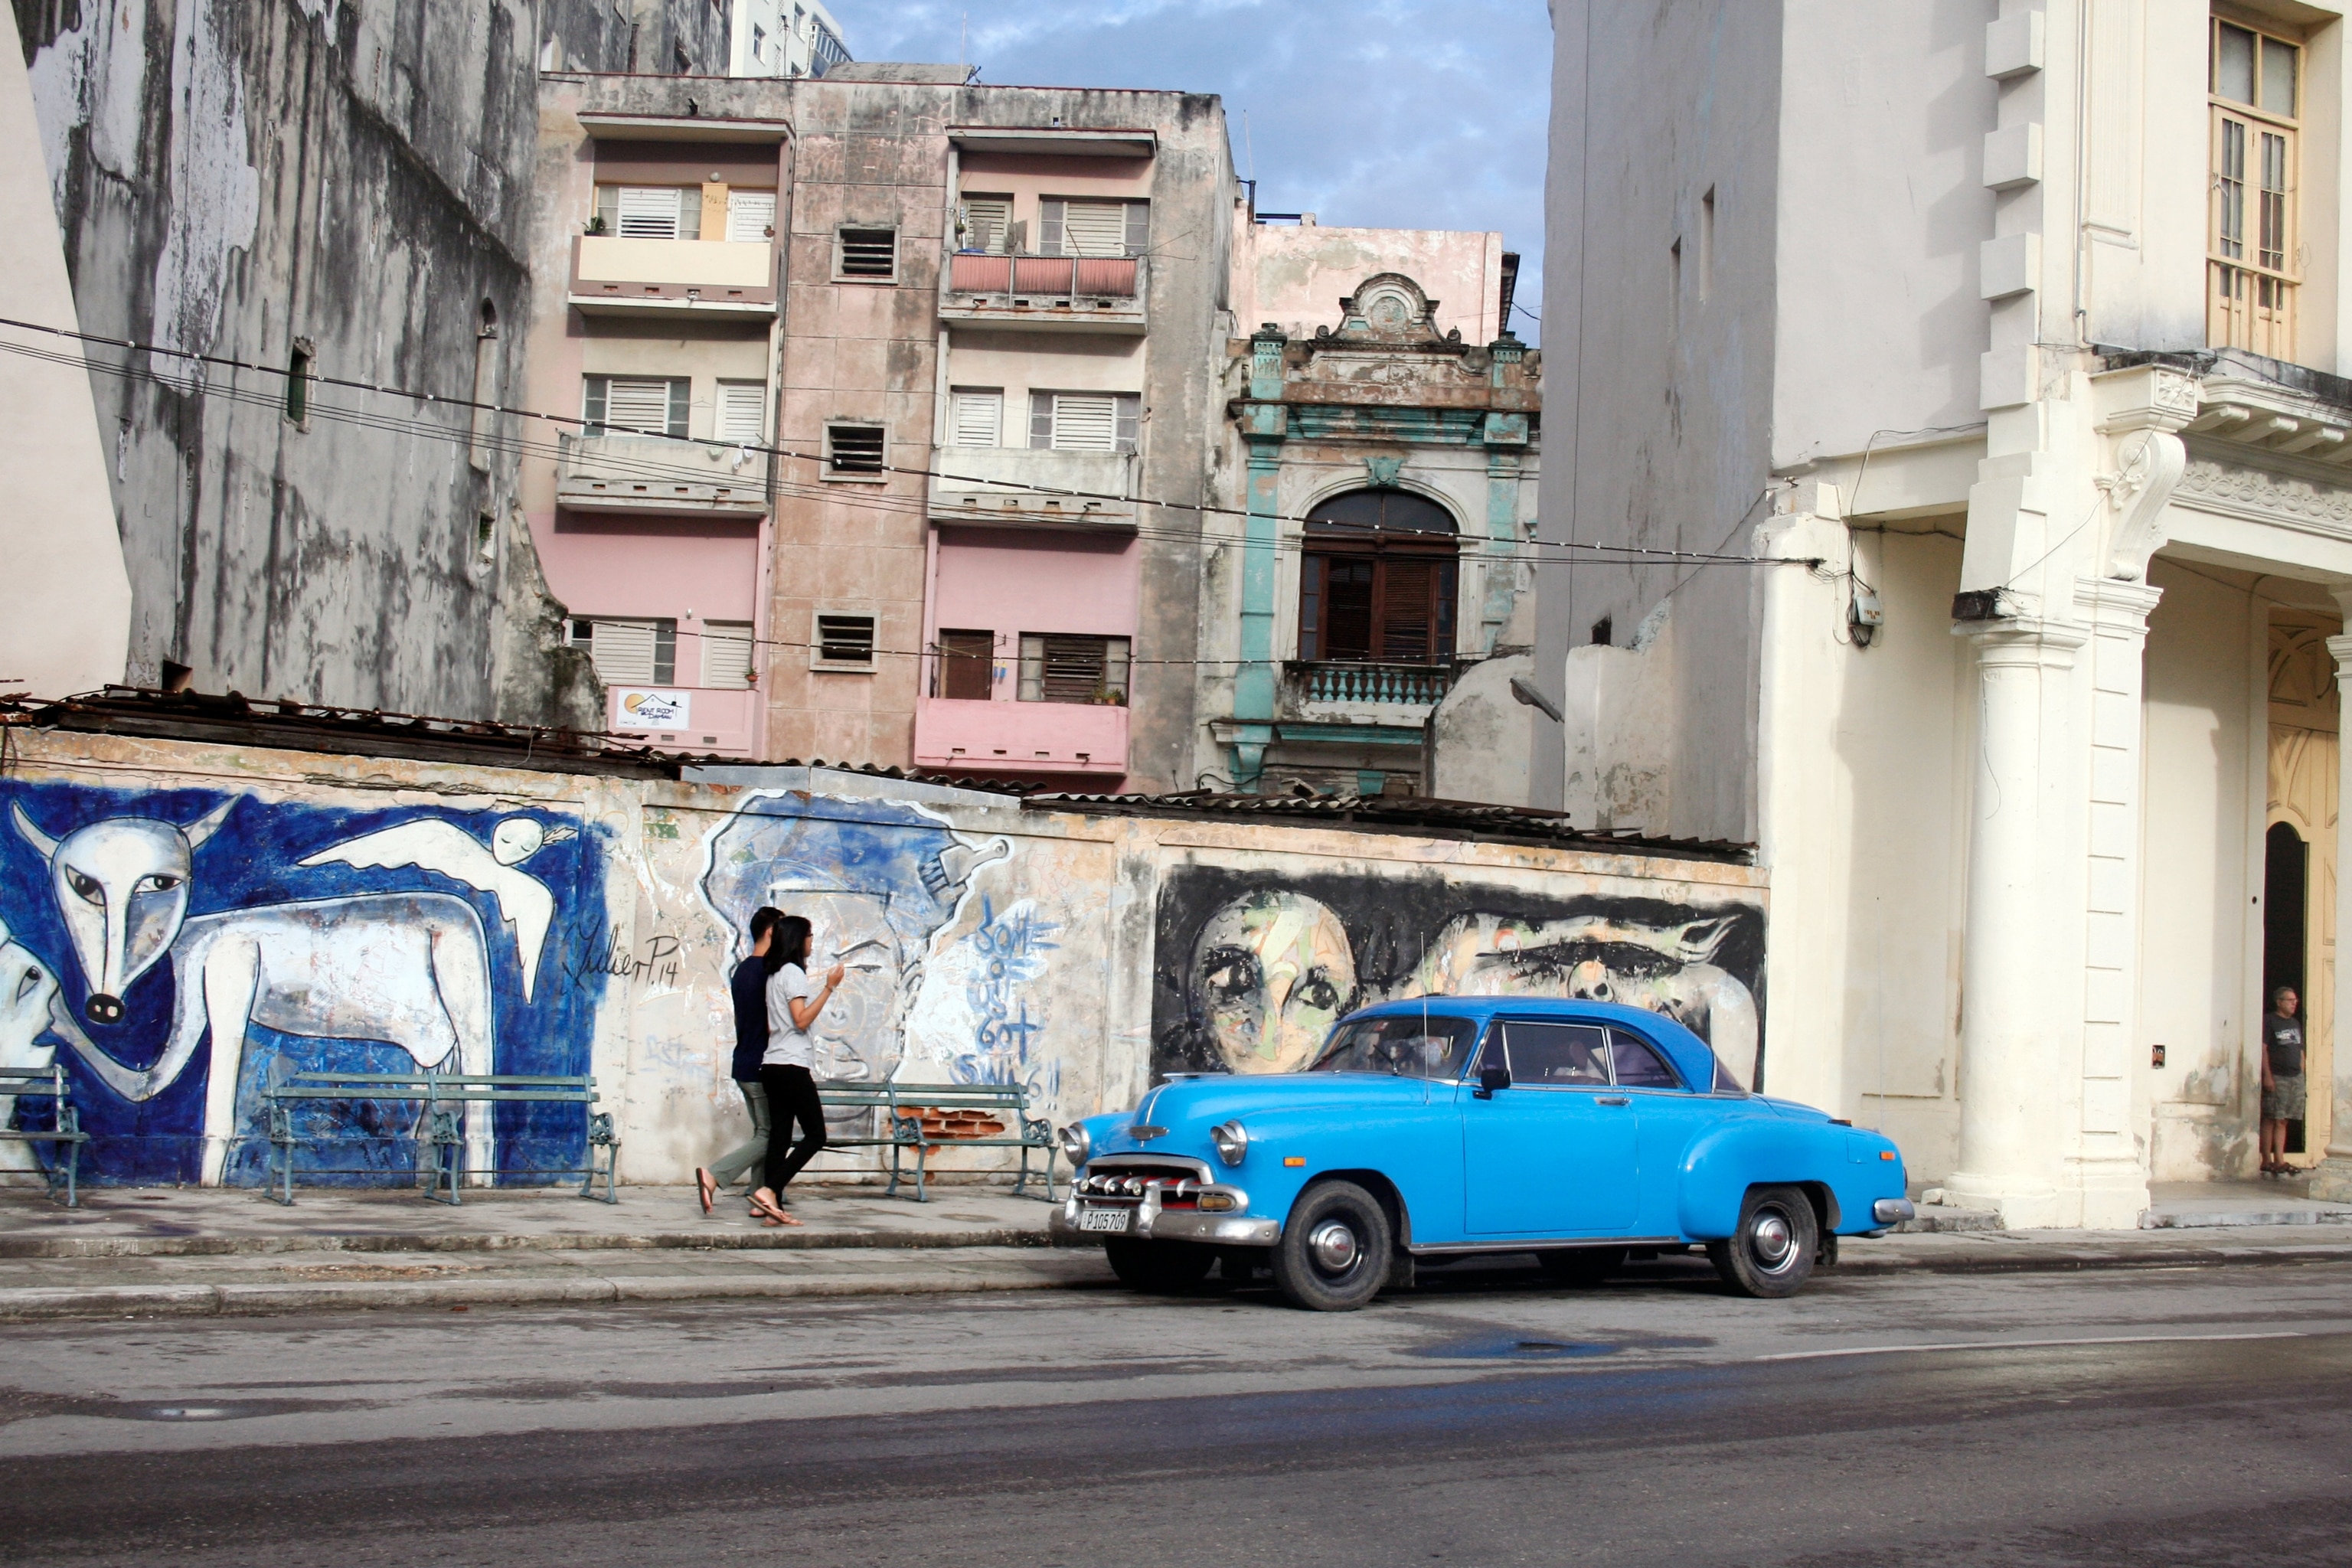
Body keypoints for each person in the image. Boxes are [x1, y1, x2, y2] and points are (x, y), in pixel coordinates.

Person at [750, 915, 844, 1227]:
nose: (812, 941)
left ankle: (766, 1206)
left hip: (773, 1063)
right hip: (791, 1065)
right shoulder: (793, 973)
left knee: (780, 1136)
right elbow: (800, 1020)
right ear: (797, 939)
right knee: (816, 1134)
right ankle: (770, 1190)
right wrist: (829, 988)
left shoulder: (774, 974)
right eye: (809, 936)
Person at [695, 906, 784, 1214]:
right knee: (771, 1135)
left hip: (744, 1061)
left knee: (763, 1131)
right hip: (762, 1064)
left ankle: (759, 1195)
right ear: (772, 931)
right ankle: (715, 1175)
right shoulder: (768, 973)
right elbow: (774, 1022)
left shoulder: (743, 970)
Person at [2262, 985, 2307, 1178]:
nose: (2294, 1003)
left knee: (2285, 1119)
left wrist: (2302, 1074)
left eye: (2295, 1001)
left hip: (2294, 1077)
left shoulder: (2295, 1023)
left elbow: (2301, 1050)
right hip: (2277, 1075)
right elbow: (2263, 1049)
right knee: (2272, 1117)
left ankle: (2280, 1158)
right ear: (2279, 1002)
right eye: (2290, 1000)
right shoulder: (2270, 1021)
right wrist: (2267, 1075)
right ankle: (2266, 1159)